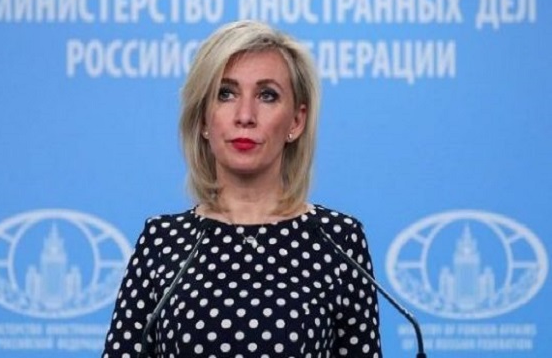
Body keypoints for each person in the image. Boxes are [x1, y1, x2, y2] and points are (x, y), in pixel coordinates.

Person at [101, 20, 382, 358]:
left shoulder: (339, 240)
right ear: (203, 119)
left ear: (296, 121)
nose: (245, 115)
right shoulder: (162, 241)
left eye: (267, 95)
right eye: (226, 93)